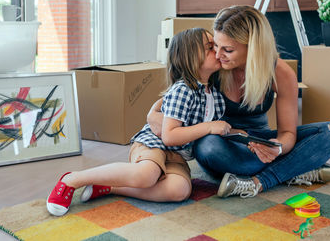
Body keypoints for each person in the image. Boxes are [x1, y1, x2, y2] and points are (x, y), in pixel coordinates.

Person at [147, 5, 330, 199]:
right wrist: (153, 117)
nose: (217, 55)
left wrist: (276, 148)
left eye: (228, 49)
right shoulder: (214, 67)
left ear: (253, 49)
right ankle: (295, 168)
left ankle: (258, 182)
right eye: (215, 46)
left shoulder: (281, 73)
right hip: (223, 142)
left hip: (259, 141)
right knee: (208, 146)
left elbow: (287, 133)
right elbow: (163, 109)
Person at [46, 28, 231, 216]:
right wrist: (208, 127)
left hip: (178, 154)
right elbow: (169, 136)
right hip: (154, 143)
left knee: (180, 191)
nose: (217, 52)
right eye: (210, 47)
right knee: (146, 175)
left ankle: (110, 187)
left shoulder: (214, 95)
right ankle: (72, 179)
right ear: (190, 57)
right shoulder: (183, 90)